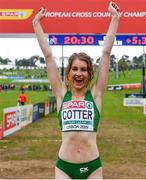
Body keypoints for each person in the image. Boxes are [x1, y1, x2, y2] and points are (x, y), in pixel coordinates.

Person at [32, 1, 120, 179]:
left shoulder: (96, 95)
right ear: (68, 73)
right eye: (75, 69)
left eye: (83, 69)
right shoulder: (61, 94)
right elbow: (48, 56)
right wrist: (36, 24)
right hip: (64, 168)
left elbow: (106, 53)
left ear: (89, 74)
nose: (79, 73)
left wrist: (115, 18)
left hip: (92, 167)